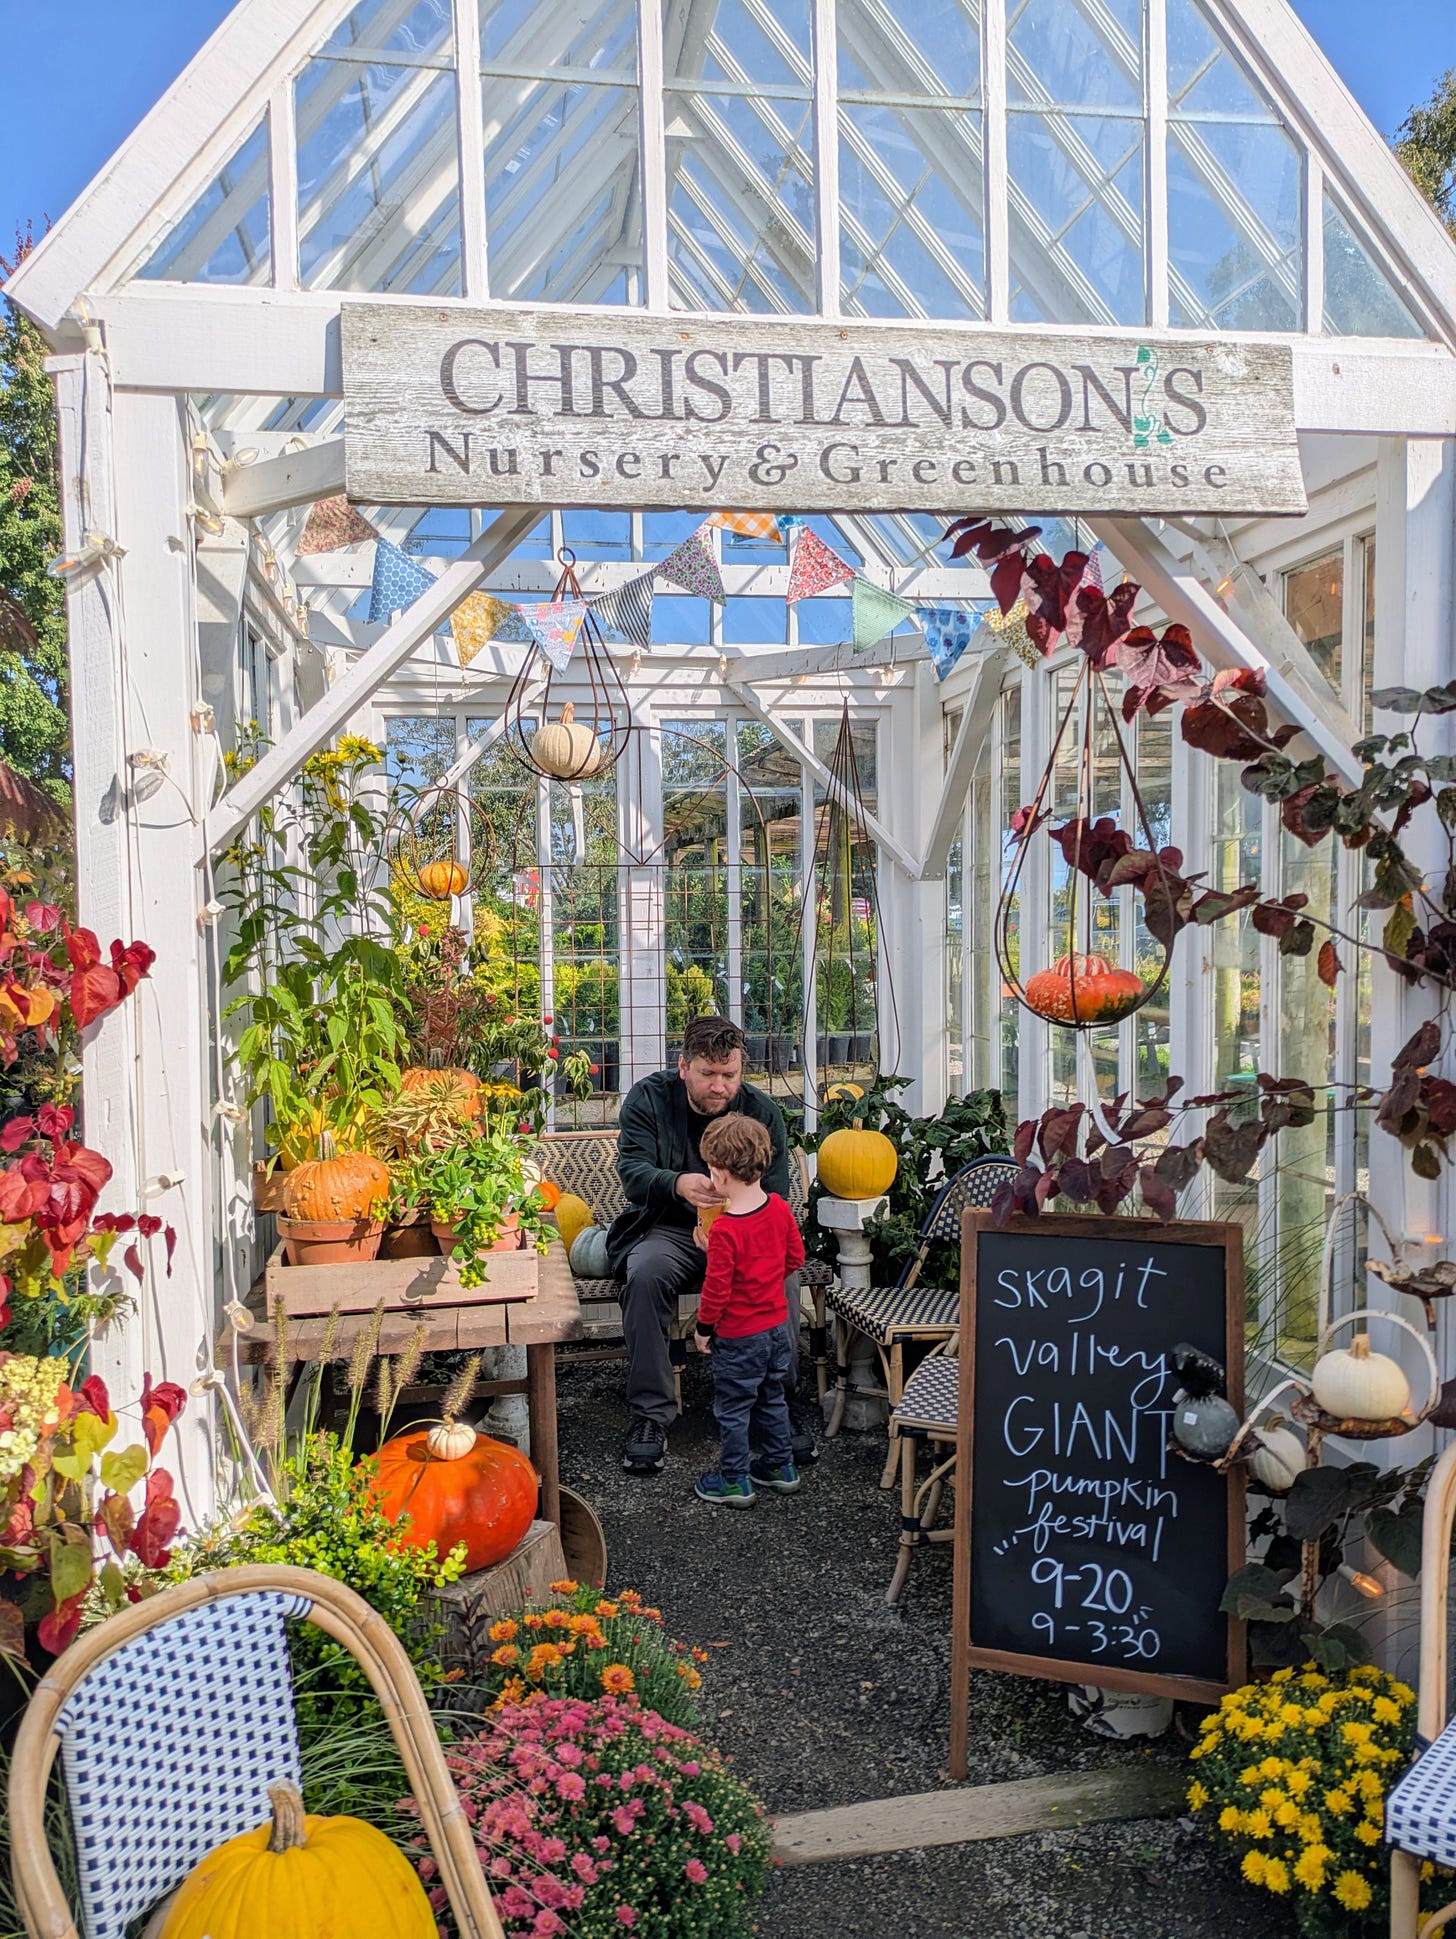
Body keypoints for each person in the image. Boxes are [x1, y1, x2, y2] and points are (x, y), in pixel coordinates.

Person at [607, 1014, 809, 1475]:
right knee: (644, 1274)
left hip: (746, 1236)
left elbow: (775, 1195)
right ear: (683, 1067)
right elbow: (632, 1173)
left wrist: (733, 1224)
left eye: (729, 1074)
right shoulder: (649, 1099)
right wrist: (678, 1183)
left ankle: (775, 1406)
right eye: (708, 1074)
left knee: (785, 1278)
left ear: (741, 1070)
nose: (720, 1086)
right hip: (670, 1229)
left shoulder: (761, 1112)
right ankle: (651, 1415)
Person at [690, 1114, 805, 1507]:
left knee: (734, 1409)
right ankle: (781, 1466)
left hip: (739, 1335)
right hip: (777, 1329)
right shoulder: (779, 1208)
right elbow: (795, 1258)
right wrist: (765, 1279)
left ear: (720, 1175)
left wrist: (703, 1328)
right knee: (772, 1397)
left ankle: (734, 1480)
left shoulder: (724, 1230)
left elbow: (717, 1291)